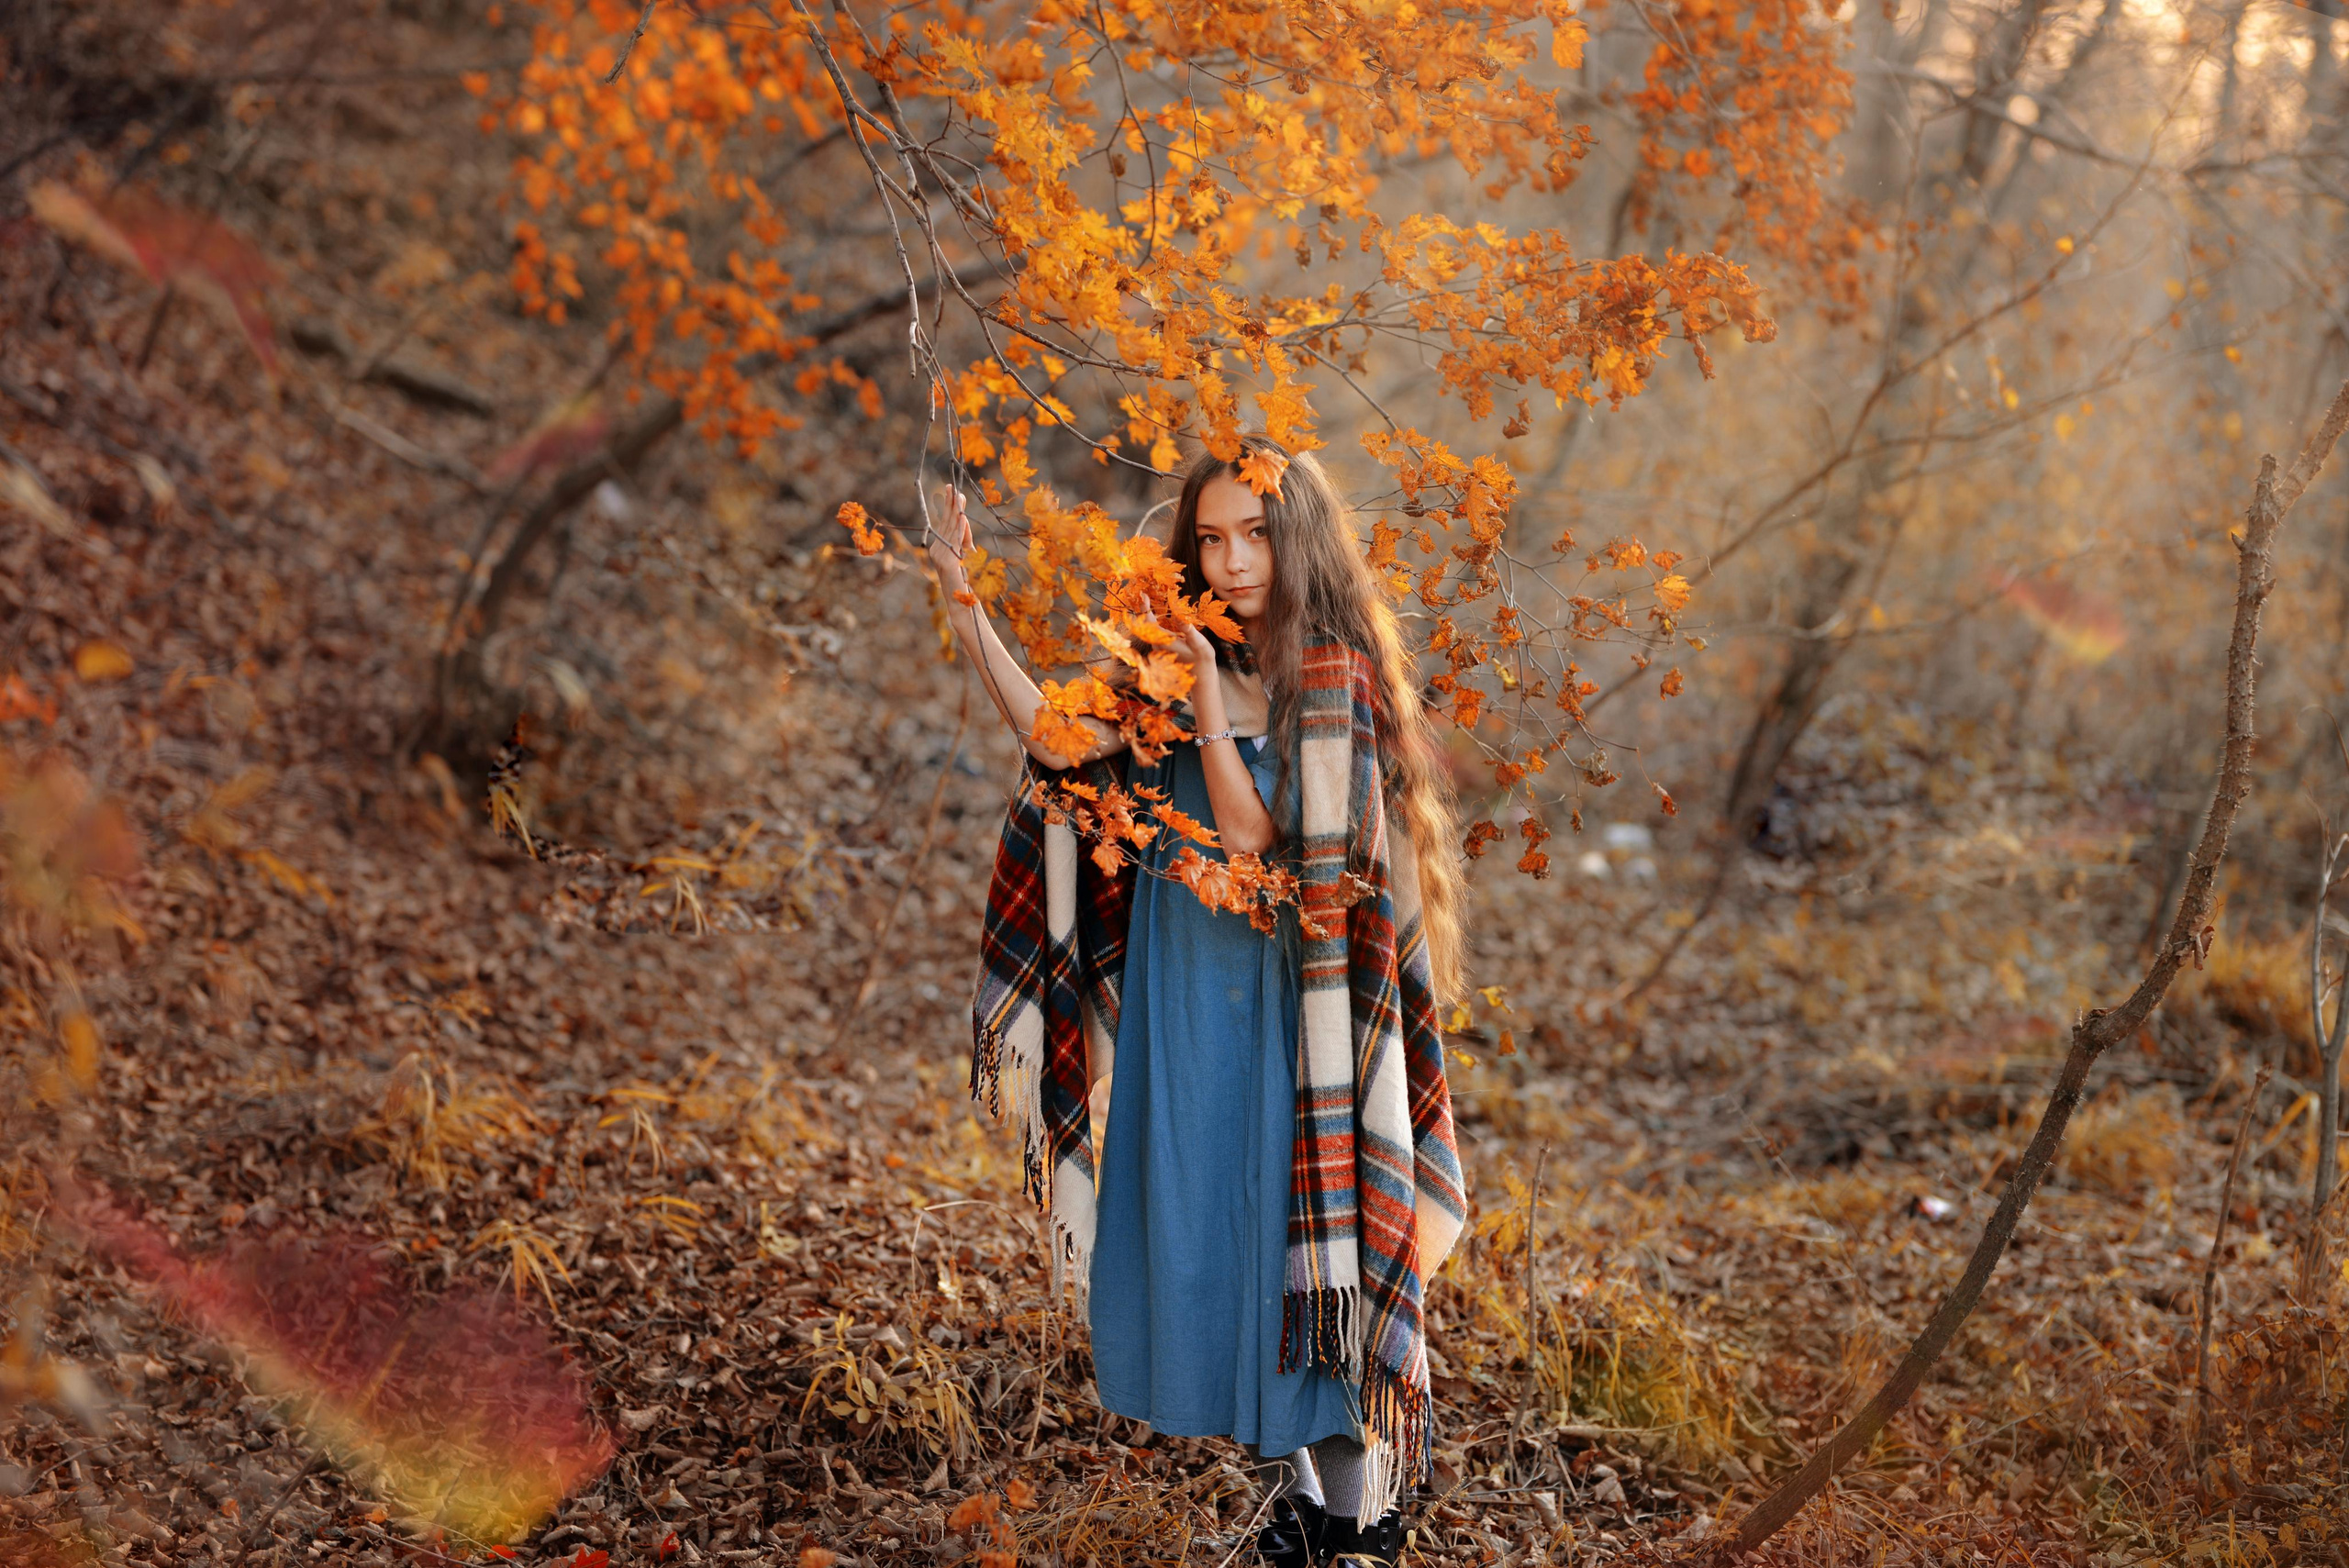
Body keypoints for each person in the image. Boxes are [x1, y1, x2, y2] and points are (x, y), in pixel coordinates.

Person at [931, 437, 1468, 1567]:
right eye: (1211, 538)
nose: (1229, 563)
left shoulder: (1328, 670)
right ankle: (1326, 1514)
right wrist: (969, 608)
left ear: (1298, 539)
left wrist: (1210, 710)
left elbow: (1251, 837)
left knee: (1297, 1244)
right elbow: (1059, 743)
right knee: (1216, 1241)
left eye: (1254, 535)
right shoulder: (1176, 656)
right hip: (1185, 995)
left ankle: (1360, 1520)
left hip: (1290, 1012)